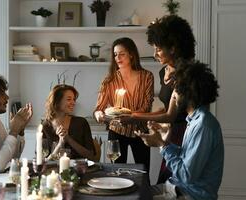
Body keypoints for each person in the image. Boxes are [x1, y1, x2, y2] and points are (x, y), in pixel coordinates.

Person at [135, 61, 224, 200]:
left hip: (189, 195)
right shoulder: (195, 119)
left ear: (189, 92)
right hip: (177, 188)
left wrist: (162, 145)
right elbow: (186, 159)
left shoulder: (202, 125)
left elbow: (186, 175)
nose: (173, 94)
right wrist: (165, 141)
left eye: (176, 88)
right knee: (132, 192)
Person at [130, 15, 196, 183]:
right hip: (169, 133)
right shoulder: (163, 72)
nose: (155, 54)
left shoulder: (186, 74)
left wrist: (134, 116)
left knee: (176, 182)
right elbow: (165, 109)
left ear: (173, 48)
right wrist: (138, 113)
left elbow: (171, 115)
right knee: (165, 185)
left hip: (185, 135)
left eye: (158, 49)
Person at [94, 37, 154, 170]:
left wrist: (131, 117)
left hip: (140, 132)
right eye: (115, 54)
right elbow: (99, 108)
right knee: (117, 172)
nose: (118, 58)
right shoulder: (109, 80)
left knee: (143, 172)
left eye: (122, 54)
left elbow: (147, 106)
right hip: (117, 131)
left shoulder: (147, 77)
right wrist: (99, 115)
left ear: (131, 54)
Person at [41, 84, 95, 160]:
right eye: (69, 99)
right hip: (53, 170)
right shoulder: (45, 126)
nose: (73, 103)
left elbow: (91, 156)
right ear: (57, 101)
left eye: (74, 99)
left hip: (79, 170)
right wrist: (60, 144)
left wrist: (68, 139)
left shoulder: (81, 123)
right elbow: (43, 161)